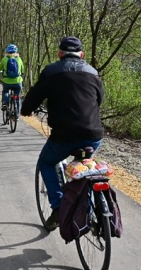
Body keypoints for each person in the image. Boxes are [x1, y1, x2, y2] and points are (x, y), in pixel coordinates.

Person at [21, 36, 104, 231]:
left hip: (64, 135)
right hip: (94, 133)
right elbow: (99, 100)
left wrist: (26, 110)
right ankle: (91, 206)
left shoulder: (51, 71)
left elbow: (33, 97)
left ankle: (58, 208)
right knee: (86, 166)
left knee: (46, 162)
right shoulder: (93, 72)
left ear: (59, 54)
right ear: (81, 55)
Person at [0, 44, 24, 114]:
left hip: (7, 81)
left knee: (5, 91)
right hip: (17, 82)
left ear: (7, 51)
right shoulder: (19, 59)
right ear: (16, 51)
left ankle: (5, 103)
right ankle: (17, 115)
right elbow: (23, 70)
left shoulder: (4, 59)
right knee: (17, 97)